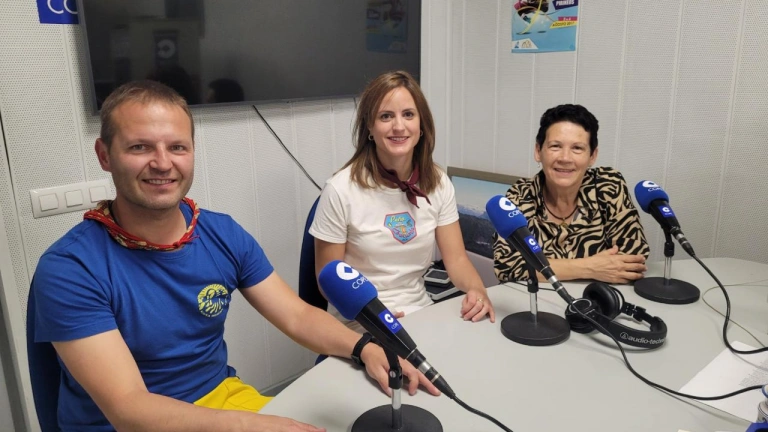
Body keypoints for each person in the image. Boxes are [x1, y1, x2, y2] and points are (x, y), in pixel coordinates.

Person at [31, 80, 439, 432]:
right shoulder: (71, 268)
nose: (162, 163)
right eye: (140, 147)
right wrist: (257, 425)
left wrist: (365, 347)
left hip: (219, 399)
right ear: (105, 155)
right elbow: (129, 409)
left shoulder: (220, 233)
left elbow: (297, 316)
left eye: (177, 147)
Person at [310, 70, 495, 329]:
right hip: (359, 318)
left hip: (419, 312)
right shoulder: (340, 190)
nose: (399, 126)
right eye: (386, 116)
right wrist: (374, 315)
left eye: (408, 114)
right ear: (370, 127)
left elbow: (457, 260)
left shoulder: (438, 183)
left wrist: (477, 290)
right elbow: (327, 281)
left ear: (421, 125)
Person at [494, 104, 650, 285]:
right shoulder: (520, 196)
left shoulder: (608, 186)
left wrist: (550, 268)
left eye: (577, 148)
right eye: (555, 146)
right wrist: (590, 267)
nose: (565, 158)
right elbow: (506, 266)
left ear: (592, 156)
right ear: (538, 151)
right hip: (537, 299)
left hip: (597, 297)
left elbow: (633, 258)